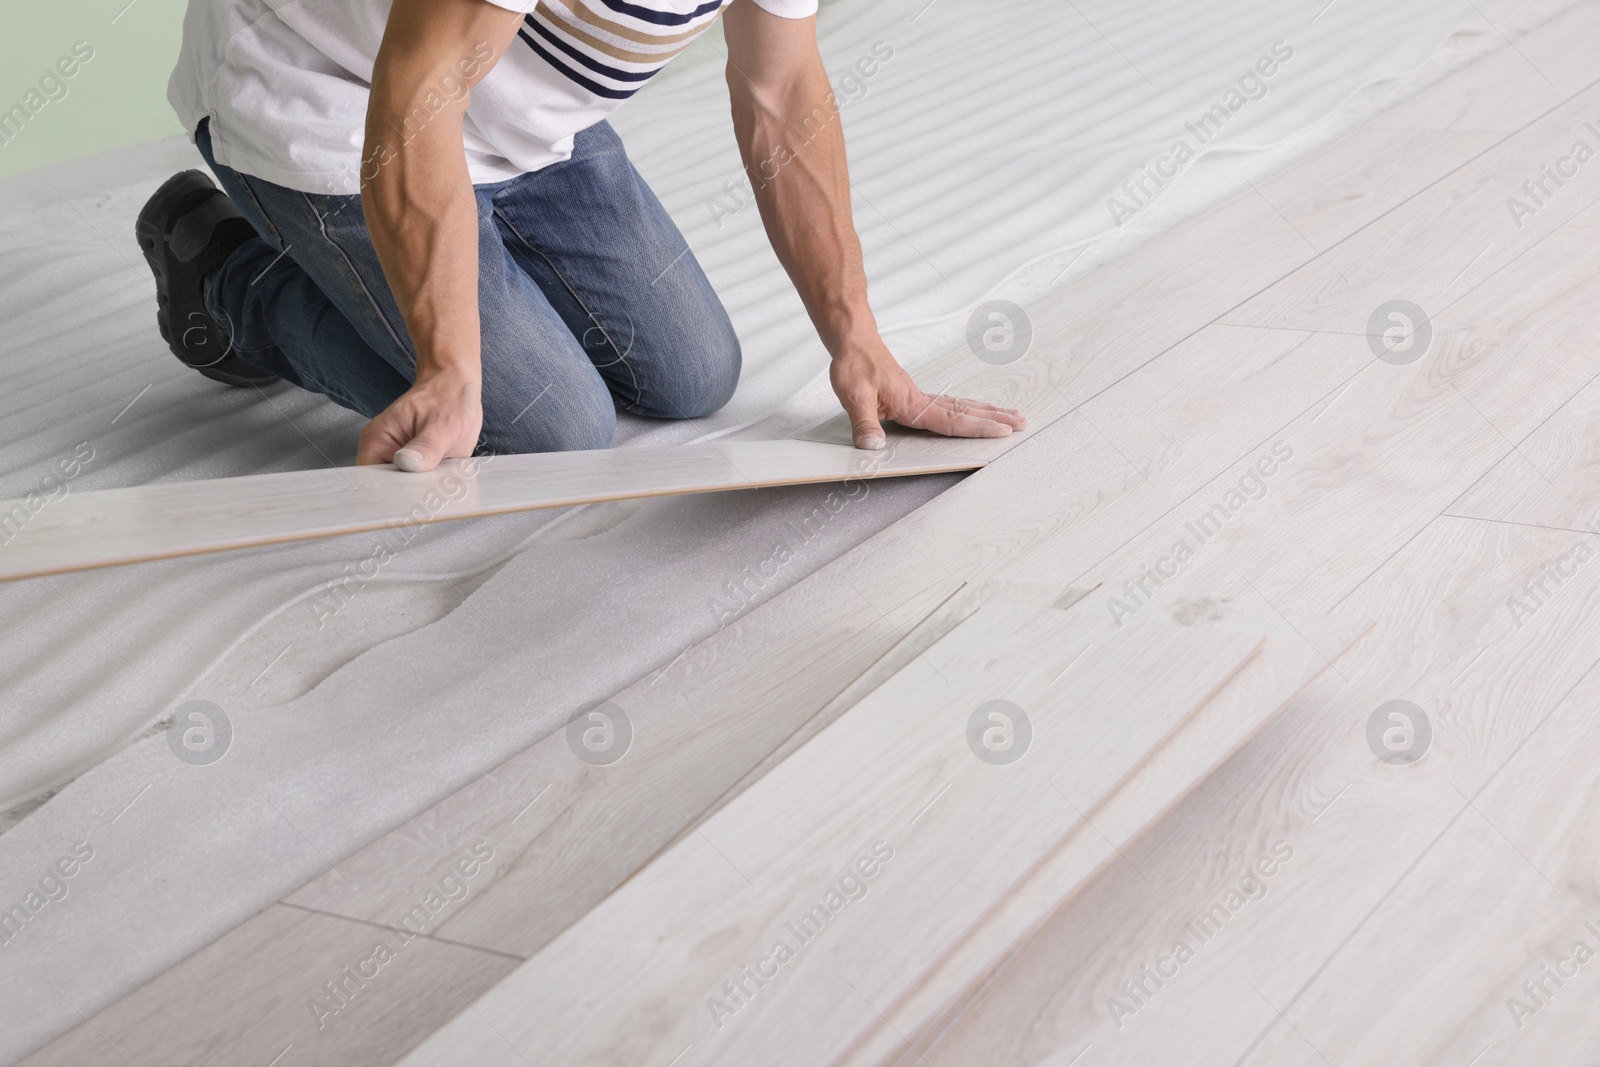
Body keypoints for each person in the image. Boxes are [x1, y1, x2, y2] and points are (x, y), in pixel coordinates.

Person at [137, 0, 1025, 472]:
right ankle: (224, 280)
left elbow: (782, 93)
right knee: (550, 429)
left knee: (694, 374)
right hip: (327, 90)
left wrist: (858, 337)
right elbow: (414, 94)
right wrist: (450, 369)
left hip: (521, 107)